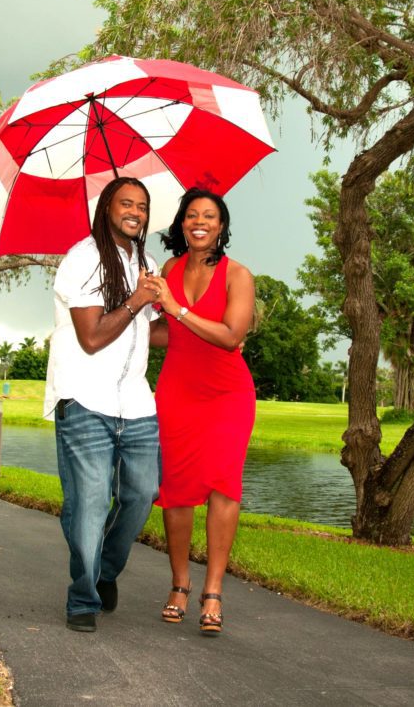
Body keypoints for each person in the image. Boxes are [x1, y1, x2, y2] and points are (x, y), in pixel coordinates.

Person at [45, 176, 163, 633]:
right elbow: (92, 337)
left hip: (135, 402)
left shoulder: (147, 261)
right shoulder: (83, 260)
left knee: (141, 495)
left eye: (142, 205)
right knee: (91, 503)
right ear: (106, 209)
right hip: (85, 399)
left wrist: (192, 320)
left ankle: (105, 569)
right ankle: (83, 597)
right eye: (125, 203)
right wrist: (137, 299)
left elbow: (146, 333)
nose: (135, 212)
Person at [147, 187, 256, 637]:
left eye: (209, 216)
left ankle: (213, 591)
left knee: (223, 487)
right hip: (177, 391)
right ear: (181, 224)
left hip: (227, 395)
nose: (199, 222)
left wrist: (177, 307)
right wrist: (132, 310)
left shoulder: (239, 275)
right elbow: (164, 334)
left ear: (222, 226)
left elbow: (231, 336)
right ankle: (179, 584)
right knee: (174, 490)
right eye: (192, 215)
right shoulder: (169, 269)